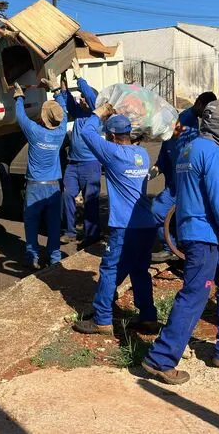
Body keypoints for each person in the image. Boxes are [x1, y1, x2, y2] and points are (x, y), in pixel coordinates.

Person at [142, 100, 219, 385]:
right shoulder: (215, 156)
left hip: (197, 233)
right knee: (194, 295)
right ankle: (160, 359)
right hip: (205, 237)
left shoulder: (188, 149)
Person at [72, 106, 159, 336]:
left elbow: (87, 134)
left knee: (110, 269)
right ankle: (148, 317)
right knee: (140, 270)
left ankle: (102, 319)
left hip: (125, 226)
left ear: (111, 136)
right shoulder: (142, 155)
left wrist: (98, 112)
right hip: (147, 223)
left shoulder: (113, 153)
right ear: (128, 133)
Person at [149, 92, 217, 258]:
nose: (207, 114)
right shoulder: (187, 125)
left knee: (180, 217)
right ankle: (170, 247)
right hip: (178, 184)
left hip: (183, 182)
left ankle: (179, 247)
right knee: (158, 210)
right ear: (199, 102)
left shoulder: (190, 121)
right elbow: (170, 146)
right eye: (206, 109)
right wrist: (159, 165)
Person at [13, 69, 68, 269]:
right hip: (54, 186)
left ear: (43, 119)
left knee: (32, 223)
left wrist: (19, 96)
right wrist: (57, 90)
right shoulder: (60, 133)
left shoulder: (35, 133)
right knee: (53, 225)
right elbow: (64, 113)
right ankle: (54, 258)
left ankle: (33, 256)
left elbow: (21, 117)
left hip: (35, 187)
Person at [61, 59, 101, 248]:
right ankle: (69, 232)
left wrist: (80, 79)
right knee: (67, 195)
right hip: (73, 164)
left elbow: (92, 98)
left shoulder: (97, 114)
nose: (81, 100)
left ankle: (92, 235)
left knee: (90, 201)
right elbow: (68, 99)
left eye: (83, 98)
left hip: (91, 164)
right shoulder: (78, 113)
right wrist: (62, 79)